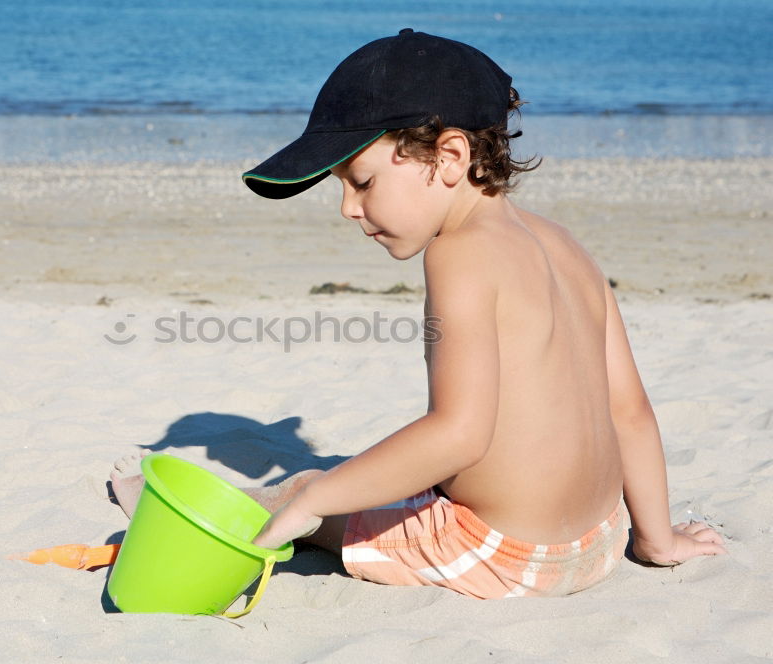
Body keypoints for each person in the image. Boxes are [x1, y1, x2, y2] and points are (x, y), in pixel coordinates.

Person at [110, 29, 726, 598]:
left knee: (309, 489)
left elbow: (459, 434)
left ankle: (223, 505)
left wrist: (314, 500)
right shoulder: (564, 244)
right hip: (597, 539)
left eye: (364, 181)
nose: (348, 208)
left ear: (449, 157)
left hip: (500, 554)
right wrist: (658, 539)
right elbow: (631, 413)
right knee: (364, 477)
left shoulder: (459, 256)